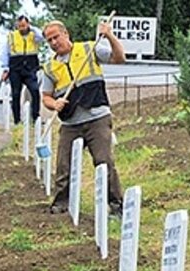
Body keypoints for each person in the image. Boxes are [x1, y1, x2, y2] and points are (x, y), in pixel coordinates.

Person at [41, 19, 126, 217]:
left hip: (97, 117)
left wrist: (109, 36)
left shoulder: (90, 48)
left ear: (66, 34)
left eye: (56, 37)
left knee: (103, 161)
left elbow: (119, 57)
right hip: (70, 123)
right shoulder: (49, 67)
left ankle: (116, 205)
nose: (54, 42)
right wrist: (55, 104)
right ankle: (62, 204)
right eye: (49, 40)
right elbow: (45, 97)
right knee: (64, 165)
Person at [1, 15, 44, 126]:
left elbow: (42, 37)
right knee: (16, 94)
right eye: (20, 26)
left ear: (28, 24)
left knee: (35, 91)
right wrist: (5, 69)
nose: (22, 28)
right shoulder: (12, 36)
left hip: (30, 68)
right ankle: (17, 120)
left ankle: (35, 118)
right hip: (15, 68)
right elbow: (6, 53)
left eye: (24, 25)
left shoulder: (34, 35)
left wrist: (32, 28)